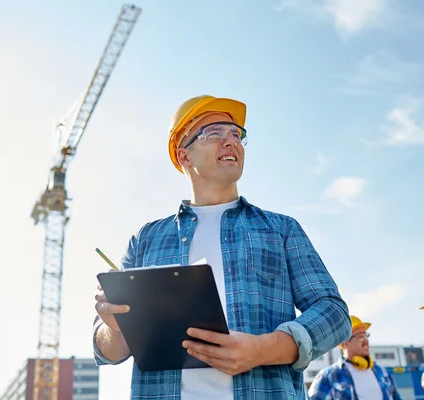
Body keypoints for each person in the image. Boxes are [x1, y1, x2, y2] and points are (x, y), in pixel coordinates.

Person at [92, 94, 351, 399]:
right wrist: (115, 326)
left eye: (236, 134)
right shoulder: (146, 240)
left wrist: (264, 349)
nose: (231, 141)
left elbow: (334, 314)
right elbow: (108, 350)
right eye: (214, 133)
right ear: (184, 156)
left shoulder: (281, 230)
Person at [308, 316, 402, 400]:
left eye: (366, 336)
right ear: (345, 343)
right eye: (360, 337)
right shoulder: (329, 376)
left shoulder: (382, 372)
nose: (366, 342)